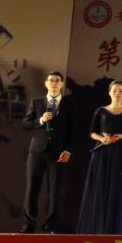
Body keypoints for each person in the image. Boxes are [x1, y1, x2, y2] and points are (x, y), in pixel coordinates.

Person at [76, 80, 122, 235]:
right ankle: (95, 227)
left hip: (118, 152)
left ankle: (114, 228)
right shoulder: (100, 111)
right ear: (109, 92)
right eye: (114, 90)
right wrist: (102, 139)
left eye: (120, 90)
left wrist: (121, 136)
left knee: (116, 187)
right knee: (99, 186)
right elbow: (92, 132)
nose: (117, 93)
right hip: (101, 152)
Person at [21, 71, 74, 233]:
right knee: (32, 189)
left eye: (57, 81)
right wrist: (41, 120)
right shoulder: (36, 102)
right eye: (51, 80)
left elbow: (74, 130)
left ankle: (50, 226)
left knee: (55, 191)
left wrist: (68, 150)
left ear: (61, 84)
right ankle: (28, 226)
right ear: (46, 84)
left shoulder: (69, 104)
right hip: (37, 152)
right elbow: (25, 124)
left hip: (58, 153)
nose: (54, 83)